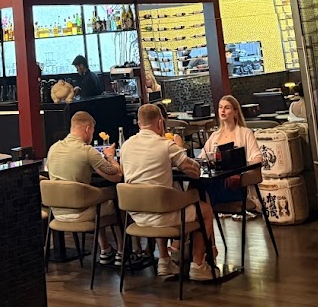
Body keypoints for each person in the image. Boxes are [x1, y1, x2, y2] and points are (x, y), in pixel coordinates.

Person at [118, 103, 216, 282]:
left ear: (139, 124)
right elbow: (194, 172)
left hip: (136, 215)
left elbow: (124, 172)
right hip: (162, 215)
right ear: (160, 123)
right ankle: (198, 265)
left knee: (161, 200)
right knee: (205, 210)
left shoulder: (126, 146)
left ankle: (164, 260)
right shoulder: (166, 145)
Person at [46, 111, 123, 264]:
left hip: (56, 212)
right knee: (120, 202)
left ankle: (105, 250)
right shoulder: (87, 151)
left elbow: (50, 169)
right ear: (88, 129)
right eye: (92, 131)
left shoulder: (53, 148)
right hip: (79, 213)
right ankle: (122, 252)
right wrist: (110, 156)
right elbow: (116, 175)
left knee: (95, 199)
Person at [202, 95, 264, 212]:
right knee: (199, 185)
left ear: (235, 112)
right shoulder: (214, 136)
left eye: (227, 108)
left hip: (236, 182)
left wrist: (242, 173)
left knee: (206, 190)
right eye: (220, 107)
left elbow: (258, 158)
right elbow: (202, 157)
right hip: (218, 180)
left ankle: (204, 212)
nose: (223, 111)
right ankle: (204, 214)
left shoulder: (245, 133)